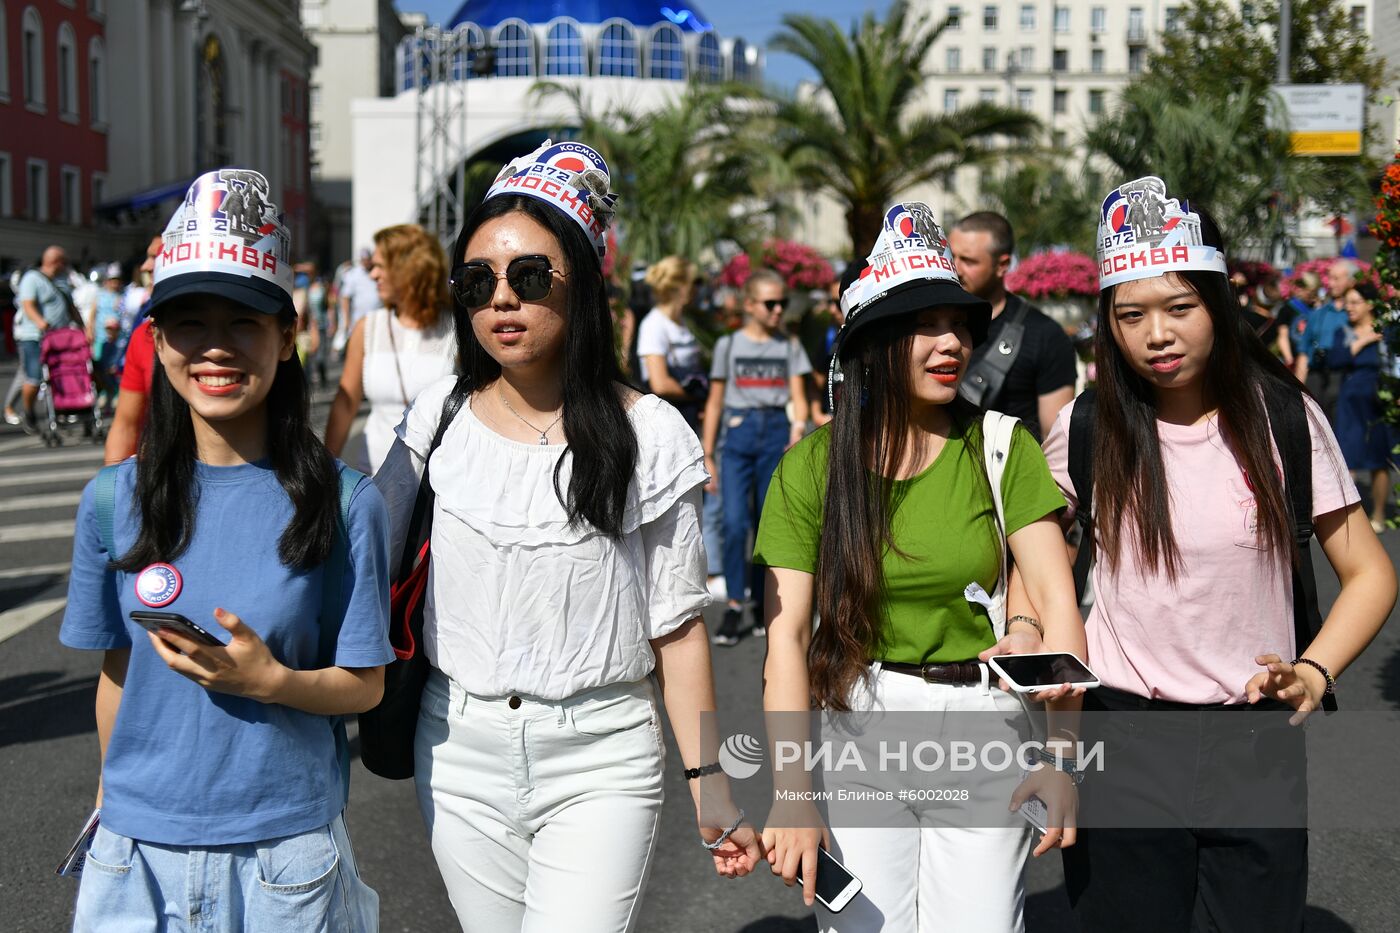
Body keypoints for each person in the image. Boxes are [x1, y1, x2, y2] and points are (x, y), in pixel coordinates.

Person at [373, 139, 761, 930]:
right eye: (477, 281)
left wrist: (708, 776)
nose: (502, 300)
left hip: (602, 754)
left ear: (582, 283)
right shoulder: (436, 417)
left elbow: (678, 627)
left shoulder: (650, 433)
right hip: (457, 747)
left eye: (530, 276)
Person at [1045, 176, 1396, 931]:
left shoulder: (1284, 418)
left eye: (1180, 307)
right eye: (1131, 315)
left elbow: (1368, 570)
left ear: (1218, 301)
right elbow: (1030, 565)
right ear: (1108, 323)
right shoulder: (1085, 427)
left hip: (1254, 739)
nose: (1157, 335)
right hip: (1122, 733)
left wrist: (1313, 668)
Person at [60, 168, 391, 931]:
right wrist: (114, 798)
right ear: (157, 340)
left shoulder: (345, 503)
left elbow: (366, 685)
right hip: (132, 858)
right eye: (189, 322)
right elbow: (117, 678)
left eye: (242, 320)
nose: (214, 348)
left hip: (287, 856)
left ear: (285, 335)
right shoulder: (113, 498)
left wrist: (272, 680)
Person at [755, 201, 1086, 931]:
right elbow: (786, 637)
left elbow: (1060, 605)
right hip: (860, 722)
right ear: (872, 342)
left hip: (985, 725)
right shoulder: (812, 467)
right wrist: (790, 790)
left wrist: (1061, 757)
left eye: (959, 323)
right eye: (923, 324)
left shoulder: (1004, 447)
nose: (951, 342)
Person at [702, 269, 811, 646]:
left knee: (769, 526)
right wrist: (707, 454)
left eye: (782, 302)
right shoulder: (729, 347)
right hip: (737, 434)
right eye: (770, 303)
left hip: (775, 438)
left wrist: (799, 426)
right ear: (749, 305)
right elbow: (714, 402)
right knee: (733, 523)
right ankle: (735, 604)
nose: (778, 309)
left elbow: (799, 395)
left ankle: (761, 604)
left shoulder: (789, 346)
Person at [324, 224, 457, 475]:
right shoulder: (368, 327)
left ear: (409, 268)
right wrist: (325, 470)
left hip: (435, 484)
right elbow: (345, 402)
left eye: (379, 266)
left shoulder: (456, 329)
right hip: (374, 475)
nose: (372, 275)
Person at [949, 211, 1077, 441]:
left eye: (968, 261)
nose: (956, 269)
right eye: (952, 257)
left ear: (1002, 265)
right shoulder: (932, 325)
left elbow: (1057, 441)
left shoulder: (1045, 335)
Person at [1329, 283, 1393, 532]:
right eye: (1347, 303)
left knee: (1378, 456)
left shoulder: (1387, 330)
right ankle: (1345, 518)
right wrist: (1363, 340)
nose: (1349, 308)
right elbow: (1337, 360)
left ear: (1369, 304)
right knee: (1346, 455)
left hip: (1378, 397)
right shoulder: (1343, 330)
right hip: (1350, 398)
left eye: (1355, 302)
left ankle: (1378, 513)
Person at [7, 245, 83, 431]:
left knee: (60, 374)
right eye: (64, 262)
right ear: (55, 262)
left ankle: (59, 411)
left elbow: (70, 306)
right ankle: (29, 412)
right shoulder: (32, 278)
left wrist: (81, 327)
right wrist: (41, 323)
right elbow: (28, 305)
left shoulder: (61, 281)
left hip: (60, 337)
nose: (66, 266)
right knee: (33, 377)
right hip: (33, 337)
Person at [104, 235, 164, 464]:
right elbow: (126, 424)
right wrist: (111, 490)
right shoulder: (143, 333)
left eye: (154, 256)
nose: (145, 266)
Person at [636, 255, 708, 429]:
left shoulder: (681, 321)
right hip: (667, 420)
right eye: (695, 282)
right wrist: (702, 395)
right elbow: (659, 383)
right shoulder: (654, 324)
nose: (698, 289)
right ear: (681, 287)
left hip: (686, 415)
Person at [1295, 259, 1356, 421]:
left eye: (1337, 278)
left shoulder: (1355, 314)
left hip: (1343, 376)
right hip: (1316, 376)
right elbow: (1304, 352)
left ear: (1351, 281)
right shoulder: (1317, 314)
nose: (1331, 283)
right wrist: (1299, 389)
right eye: (1330, 278)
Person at [1276, 270, 1320, 371]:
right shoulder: (1288, 308)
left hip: (1308, 360)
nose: (1312, 296)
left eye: (1314, 293)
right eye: (1310, 293)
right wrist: (1289, 359)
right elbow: (1283, 335)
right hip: (1290, 359)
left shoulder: (1314, 309)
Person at [337, 247, 380, 350]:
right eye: (364, 260)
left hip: (376, 320)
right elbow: (345, 298)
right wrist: (346, 320)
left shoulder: (376, 271)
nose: (366, 262)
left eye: (368, 259)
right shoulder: (353, 274)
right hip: (358, 321)